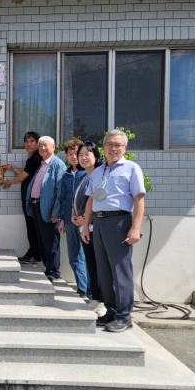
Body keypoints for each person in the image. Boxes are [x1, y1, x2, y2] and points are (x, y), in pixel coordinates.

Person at [81, 129, 146, 333]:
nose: (113, 148)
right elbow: (91, 200)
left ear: (125, 148)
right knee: (104, 271)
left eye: (118, 145)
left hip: (119, 222)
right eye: (109, 144)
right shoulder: (98, 172)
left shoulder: (131, 168)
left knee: (120, 271)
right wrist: (86, 226)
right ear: (103, 147)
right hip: (99, 224)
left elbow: (139, 200)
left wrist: (135, 228)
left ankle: (124, 316)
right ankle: (111, 311)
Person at [63, 141, 107, 317]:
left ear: (96, 155)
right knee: (91, 263)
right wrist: (75, 215)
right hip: (84, 226)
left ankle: (103, 301)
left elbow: (100, 198)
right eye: (80, 154)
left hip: (95, 225)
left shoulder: (100, 174)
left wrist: (84, 218)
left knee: (99, 265)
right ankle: (95, 298)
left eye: (86, 154)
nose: (82, 157)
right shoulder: (84, 176)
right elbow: (78, 200)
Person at [25, 136, 67, 281]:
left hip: (49, 210)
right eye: (41, 145)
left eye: (46, 145)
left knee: (51, 241)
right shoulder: (42, 164)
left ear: (53, 147)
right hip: (37, 206)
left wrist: (56, 212)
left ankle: (53, 272)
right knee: (42, 240)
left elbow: (61, 191)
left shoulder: (58, 164)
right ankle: (47, 268)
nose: (42, 148)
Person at [2, 131, 42, 264]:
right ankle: (33, 252)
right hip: (29, 198)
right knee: (31, 226)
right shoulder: (32, 158)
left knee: (32, 226)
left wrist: (10, 182)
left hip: (33, 199)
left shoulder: (37, 157)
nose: (29, 144)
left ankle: (35, 254)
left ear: (38, 143)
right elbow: (25, 174)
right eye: (26, 141)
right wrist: (13, 167)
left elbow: (22, 177)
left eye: (32, 141)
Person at [58, 139, 90, 298]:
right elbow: (63, 199)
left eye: (76, 153)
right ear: (66, 156)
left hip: (86, 221)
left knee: (89, 257)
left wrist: (85, 218)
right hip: (69, 221)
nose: (73, 156)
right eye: (70, 153)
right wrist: (62, 219)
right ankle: (83, 289)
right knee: (74, 257)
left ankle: (92, 291)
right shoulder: (65, 176)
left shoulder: (88, 173)